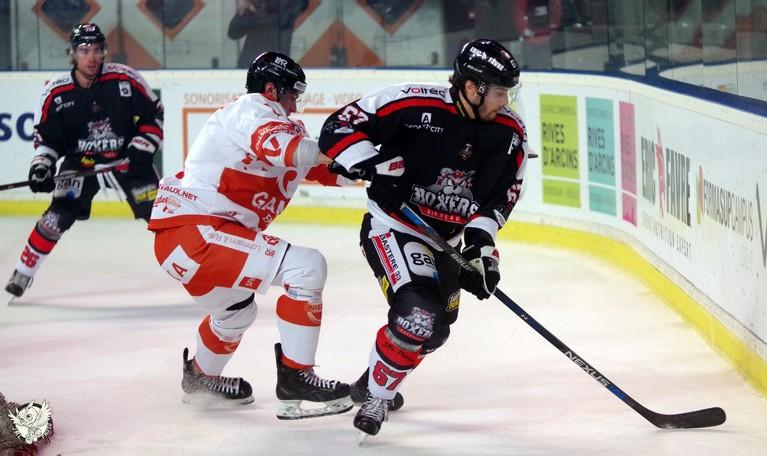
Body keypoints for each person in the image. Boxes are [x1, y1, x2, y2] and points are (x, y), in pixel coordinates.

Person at [319, 39, 531, 437]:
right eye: (499, 92)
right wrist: (373, 164)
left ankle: (372, 379)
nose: (505, 102)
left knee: (436, 331)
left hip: (447, 241)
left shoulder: (510, 134)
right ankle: (377, 398)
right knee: (418, 315)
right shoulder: (413, 104)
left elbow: (500, 200)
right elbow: (339, 126)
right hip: (395, 226)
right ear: (472, 87)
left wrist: (482, 253)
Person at [147, 51, 354, 419]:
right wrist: (344, 152)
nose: (295, 104)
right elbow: (287, 150)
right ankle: (297, 378)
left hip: (184, 241)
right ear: (271, 89)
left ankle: (200, 378)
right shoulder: (251, 109)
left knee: (235, 313)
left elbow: (321, 168)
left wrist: (375, 168)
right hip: (198, 233)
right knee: (306, 267)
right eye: (292, 94)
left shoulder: (281, 125)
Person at [4, 23, 163, 299]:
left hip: (127, 161)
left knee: (161, 214)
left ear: (104, 52)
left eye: (97, 50)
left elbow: (154, 113)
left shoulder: (124, 79)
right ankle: (23, 272)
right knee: (56, 218)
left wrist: (142, 148)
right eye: (84, 50)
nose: (91, 57)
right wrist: (42, 167)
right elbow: (48, 139)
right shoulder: (56, 93)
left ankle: (200, 264)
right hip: (81, 164)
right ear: (73, 53)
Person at [227, 0, 309, 68]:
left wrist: (255, 14)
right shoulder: (258, 3)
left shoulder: (293, 3)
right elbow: (233, 33)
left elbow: (281, 20)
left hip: (275, 66)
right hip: (249, 64)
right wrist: (242, 11)